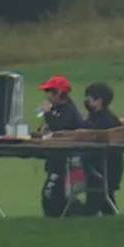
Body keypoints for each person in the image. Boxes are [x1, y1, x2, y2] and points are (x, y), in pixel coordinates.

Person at [74, 81, 124, 216]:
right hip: (98, 168)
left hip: (105, 169)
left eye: (89, 98)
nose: (87, 101)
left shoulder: (107, 120)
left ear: (99, 100)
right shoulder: (95, 117)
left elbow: (91, 134)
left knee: (91, 208)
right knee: (107, 204)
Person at [36, 74, 83, 217]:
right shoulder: (59, 109)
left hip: (66, 161)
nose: (47, 96)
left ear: (60, 93)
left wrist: (48, 114)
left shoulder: (69, 110)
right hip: (56, 159)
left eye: (50, 92)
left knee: (50, 192)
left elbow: (60, 127)